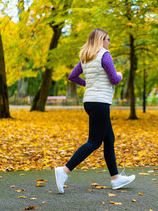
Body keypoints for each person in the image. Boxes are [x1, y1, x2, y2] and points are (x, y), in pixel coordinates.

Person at [54, 28, 135, 194]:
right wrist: (119, 74)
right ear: (101, 40)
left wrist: (88, 85)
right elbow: (113, 79)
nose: (109, 42)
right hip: (100, 102)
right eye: (108, 39)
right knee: (94, 142)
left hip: (90, 102)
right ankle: (64, 171)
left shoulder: (86, 56)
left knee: (109, 138)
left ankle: (115, 178)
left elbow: (72, 76)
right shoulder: (104, 55)